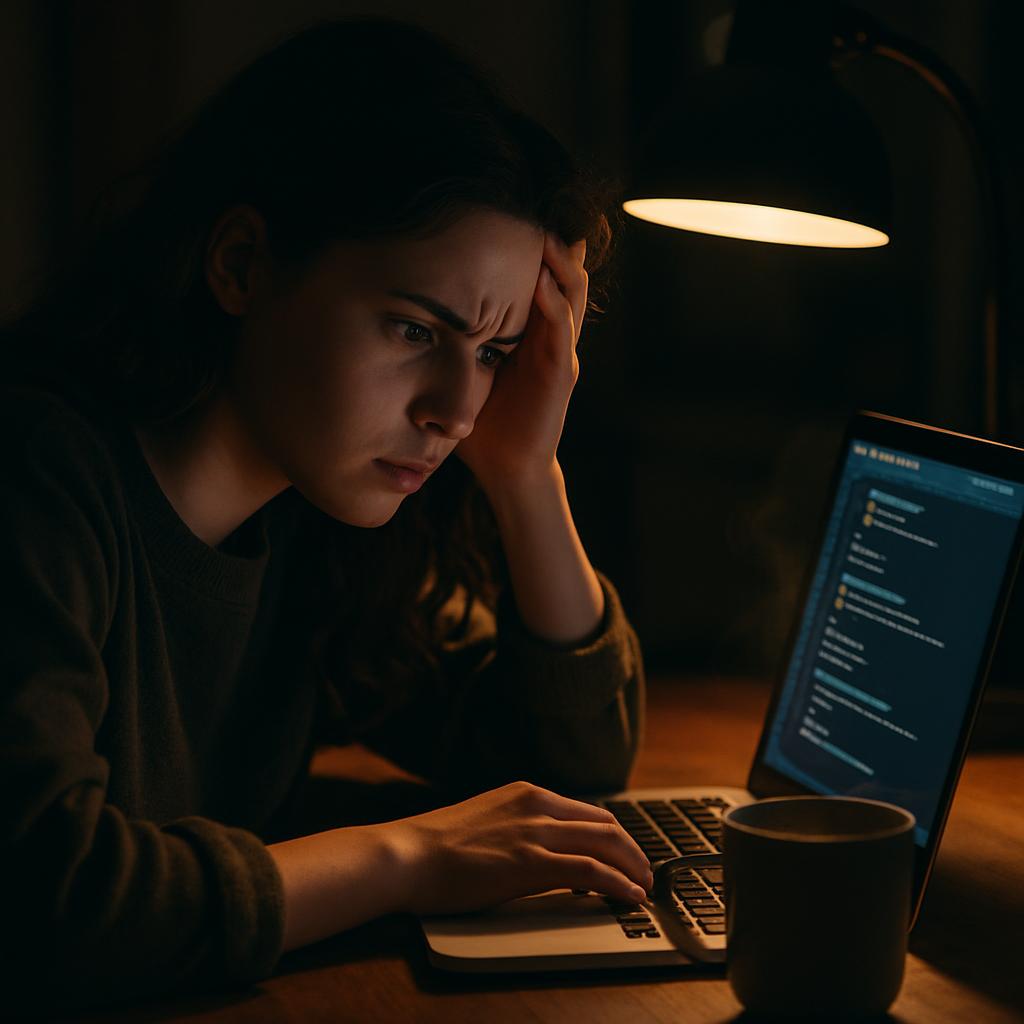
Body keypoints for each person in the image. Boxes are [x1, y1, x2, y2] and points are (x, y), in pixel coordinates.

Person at [0, 17, 649, 1012]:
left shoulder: (314, 523)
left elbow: (568, 767)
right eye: (413, 328)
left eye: (493, 352)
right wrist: (404, 857)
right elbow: (48, 904)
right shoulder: (39, 475)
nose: (456, 409)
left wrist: (526, 475)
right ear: (243, 265)